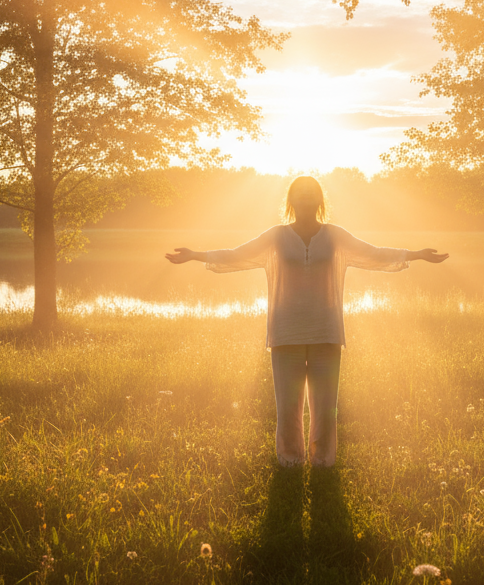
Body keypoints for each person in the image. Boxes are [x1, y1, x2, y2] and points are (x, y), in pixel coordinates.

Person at [164, 175, 448, 467]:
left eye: (310, 193)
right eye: (299, 194)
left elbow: (373, 253)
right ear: (290, 200)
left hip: (326, 329)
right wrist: (195, 255)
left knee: (326, 407)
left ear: (319, 200)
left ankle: (323, 462)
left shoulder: (335, 235)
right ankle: (290, 462)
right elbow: (237, 255)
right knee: (288, 406)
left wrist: (417, 255)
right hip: (286, 330)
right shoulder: (276, 235)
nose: (305, 198)